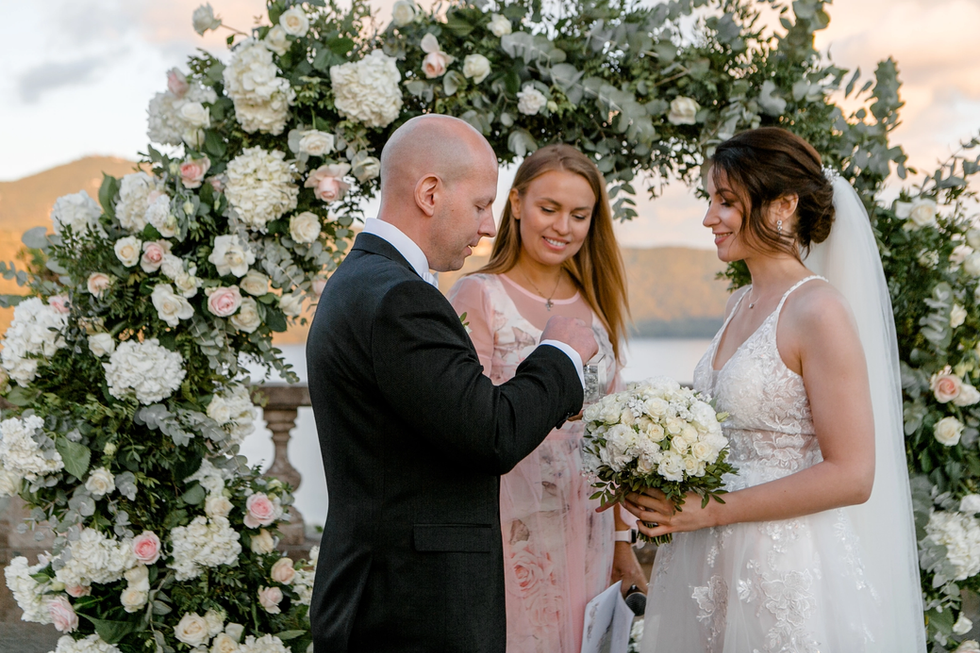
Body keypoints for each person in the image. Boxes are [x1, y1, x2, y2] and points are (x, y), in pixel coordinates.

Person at [625, 127, 925, 652]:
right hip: (702, 556)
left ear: (782, 204)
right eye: (709, 200)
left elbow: (853, 475)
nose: (708, 217)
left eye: (726, 201)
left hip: (783, 565)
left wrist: (714, 508)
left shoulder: (818, 311)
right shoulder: (736, 304)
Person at [306, 115, 599, 653]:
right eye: (483, 204)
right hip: (412, 607)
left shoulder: (360, 280)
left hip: (384, 591)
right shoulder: (399, 298)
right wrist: (559, 354)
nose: (489, 227)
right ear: (430, 193)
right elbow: (490, 432)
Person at [448, 144, 647, 652]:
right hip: (511, 526)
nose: (563, 227)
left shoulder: (597, 304)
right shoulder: (478, 296)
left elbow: (615, 433)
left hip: (590, 526)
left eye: (579, 215)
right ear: (515, 204)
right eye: (549, 209)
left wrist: (624, 543)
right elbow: (469, 418)